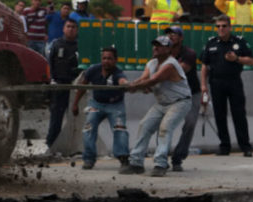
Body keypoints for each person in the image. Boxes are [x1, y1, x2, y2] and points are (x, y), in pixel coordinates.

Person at [120, 35, 192, 177]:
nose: (156, 48)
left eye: (160, 45)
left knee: (165, 128)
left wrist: (134, 87)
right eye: (155, 45)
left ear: (168, 49)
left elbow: (153, 80)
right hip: (162, 103)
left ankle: (160, 163)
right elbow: (143, 79)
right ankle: (136, 162)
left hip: (180, 102)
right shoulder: (152, 63)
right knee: (144, 125)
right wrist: (132, 85)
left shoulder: (170, 65)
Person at [199, 14, 253, 156]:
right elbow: (204, 66)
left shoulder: (239, 42)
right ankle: (224, 146)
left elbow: (251, 60)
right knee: (219, 115)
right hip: (216, 82)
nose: (221, 29)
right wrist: (203, 86)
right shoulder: (211, 43)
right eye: (218, 26)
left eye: (224, 26)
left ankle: (245, 146)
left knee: (239, 114)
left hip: (234, 81)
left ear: (230, 27)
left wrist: (237, 58)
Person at [71, 46, 129, 170]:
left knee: (120, 129)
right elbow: (82, 86)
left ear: (115, 60)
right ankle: (89, 159)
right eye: (104, 58)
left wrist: (126, 84)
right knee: (88, 128)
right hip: (96, 104)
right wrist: (75, 104)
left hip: (115, 105)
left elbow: (122, 81)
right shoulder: (93, 70)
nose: (106, 61)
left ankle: (123, 158)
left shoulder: (118, 73)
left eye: (109, 58)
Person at [162, 25, 202, 171]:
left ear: (181, 38)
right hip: (172, 95)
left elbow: (179, 70)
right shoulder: (162, 53)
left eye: (175, 34)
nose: (171, 36)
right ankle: (162, 156)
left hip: (192, 93)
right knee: (166, 125)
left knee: (190, 124)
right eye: (168, 34)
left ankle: (178, 157)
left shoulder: (189, 53)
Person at [45, 18, 81, 152]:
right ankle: (51, 144)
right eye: (68, 26)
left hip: (76, 87)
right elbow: (49, 65)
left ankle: (75, 146)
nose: (71, 29)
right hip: (59, 85)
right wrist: (51, 81)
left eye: (73, 27)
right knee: (56, 117)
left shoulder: (80, 46)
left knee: (76, 117)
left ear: (76, 30)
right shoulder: (56, 44)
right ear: (63, 28)